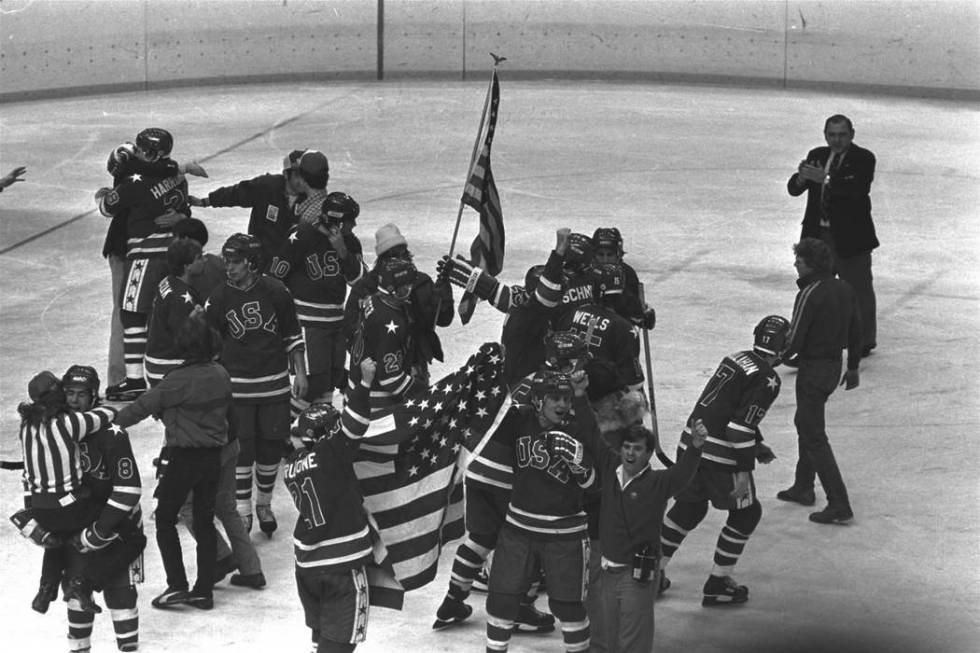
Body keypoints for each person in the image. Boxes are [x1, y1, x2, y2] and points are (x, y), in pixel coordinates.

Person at [432, 332, 590, 635]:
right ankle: (521, 608)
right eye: (580, 359)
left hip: (478, 466)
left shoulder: (531, 376)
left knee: (480, 537)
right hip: (508, 475)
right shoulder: (559, 391)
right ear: (568, 361)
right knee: (529, 539)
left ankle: (452, 601)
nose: (584, 366)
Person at [659, 315, 788, 609]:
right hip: (721, 457)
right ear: (785, 346)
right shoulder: (768, 377)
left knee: (688, 508)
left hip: (691, 443)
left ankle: (651, 572)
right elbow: (738, 428)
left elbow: (724, 406)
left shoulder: (736, 358)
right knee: (746, 513)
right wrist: (744, 470)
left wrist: (757, 444)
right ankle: (718, 583)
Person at [114, 315, 231, 610]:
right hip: (212, 458)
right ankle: (204, 590)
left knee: (166, 519)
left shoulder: (177, 380)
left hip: (184, 458)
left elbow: (141, 408)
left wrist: (108, 424)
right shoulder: (220, 374)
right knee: (204, 522)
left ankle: (176, 584)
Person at [484, 368, 598, 653]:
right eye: (554, 398)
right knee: (501, 601)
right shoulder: (518, 421)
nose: (562, 405)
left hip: (565, 534)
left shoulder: (579, 427)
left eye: (566, 398)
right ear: (537, 401)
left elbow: (594, 485)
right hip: (518, 529)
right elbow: (487, 413)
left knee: (568, 607)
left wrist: (579, 459)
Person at [205, 233, 307, 535]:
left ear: (251, 262)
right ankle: (243, 509)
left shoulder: (277, 292)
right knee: (242, 448)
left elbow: (292, 336)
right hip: (238, 389)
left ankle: (264, 504)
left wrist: (300, 373)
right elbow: (208, 346)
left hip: (274, 386)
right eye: (226, 260)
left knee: (271, 445)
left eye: (234, 261)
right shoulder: (219, 298)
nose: (228, 267)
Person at [580, 418, 705, 653]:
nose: (630, 452)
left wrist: (696, 447)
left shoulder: (659, 482)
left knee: (634, 642)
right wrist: (578, 395)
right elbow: (592, 435)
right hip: (606, 572)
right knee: (608, 637)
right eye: (627, 446)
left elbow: (682, 473)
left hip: (636, 576)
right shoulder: (609, 468)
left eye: (637, 448)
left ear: (649, 454)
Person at [282, 356, 377, 653]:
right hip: (341, 566)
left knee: (320, 636)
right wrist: (365, 383)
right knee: (338, 645)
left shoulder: (293, 466)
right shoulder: (332, 455)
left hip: (307, 566)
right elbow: (355, 424)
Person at [95, 128, 195, 401]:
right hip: (170, 251)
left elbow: (108, 206)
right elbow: (184, 208)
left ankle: (130, 378)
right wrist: (181, 213)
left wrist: (103, 194)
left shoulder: (132, 177)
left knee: (128, 311)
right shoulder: (175, 175)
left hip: (136, 251)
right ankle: (164, 372)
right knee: (162, 308)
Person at [59, 365, 146, 653]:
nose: (74, 400)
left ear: (93, 396)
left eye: (81, 394)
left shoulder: (111, 433)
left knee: (120, 593)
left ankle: (128, 649)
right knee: (75, 593)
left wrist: (99, 531)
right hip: (77, 528)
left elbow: (128, 489)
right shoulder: (56, 429)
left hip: (116, 529)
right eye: (69, 393)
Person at [777, 238, 861, 524]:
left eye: (799, 262)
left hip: (813, 370)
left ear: (811, 265)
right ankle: (803, 486)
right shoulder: (844, 288)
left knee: (813, 435)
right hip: (834, 367)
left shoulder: (810, 293)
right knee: (806, 422)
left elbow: (795, 339)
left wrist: (771, 360)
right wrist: (853, 368)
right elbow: (856, 329)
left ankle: (839, 502)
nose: (795, 266)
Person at [788, 114, 878, 357]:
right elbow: (794, 189)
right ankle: (809, 342)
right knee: (814, 291)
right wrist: (802, 178)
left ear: (852, 134)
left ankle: (863, 341)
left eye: (842, 135)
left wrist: (826, 179)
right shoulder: (817, 154)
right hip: (817, 234)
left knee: (857, 290)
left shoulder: (863, 158)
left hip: (850, 236)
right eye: (832, 135)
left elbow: (857, 191)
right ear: (825, 135)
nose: (836, 140)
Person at [268, 191, 365, 416]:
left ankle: (314, 435)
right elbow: (273, 279)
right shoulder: (301, 236)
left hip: (336, 322)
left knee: (330, 380)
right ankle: (280, 431)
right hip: (307, 322)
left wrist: (343, 252)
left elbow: (360, 282)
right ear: (336, 221)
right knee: (313, 383)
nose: (354, 225)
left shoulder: (350, 243)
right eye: (350, 220)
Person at [344, 223, 454, 387]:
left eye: (402, 251)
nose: (399, 257)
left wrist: (444, 296)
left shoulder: (421, 282)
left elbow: (444, 319)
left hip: (415, 363)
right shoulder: (365, 287)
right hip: (377, 366)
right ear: (381, 259)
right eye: (392, 254)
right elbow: (350, 329)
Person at [189, 149, 329, 268]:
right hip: (260, 259)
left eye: (304, 175)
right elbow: (236, 194)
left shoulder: (311, 198)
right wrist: (205, 202)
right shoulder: (267, 186)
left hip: (291, 263)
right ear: (286, 174)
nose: (302, 180)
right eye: (298, 175)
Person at [555, 262, 643, 402]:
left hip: (566, 397)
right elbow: (633, 383)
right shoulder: (625, 329)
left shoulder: (572, 314)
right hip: (604, 406)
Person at [347, 257, 419, 408]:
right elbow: (390, 379)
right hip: (375, 405)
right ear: (394, 290)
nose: (410, 289)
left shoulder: (373, 300)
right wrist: (425, 394)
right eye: (406, 286)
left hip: (356, 391)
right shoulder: (389, 322)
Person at [591, 227, 656, 330]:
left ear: (618, 254)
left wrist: (642, 316)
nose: (605, 260)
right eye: (601, 255)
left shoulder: (628, 274)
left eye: (610, 255)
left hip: (618, 332)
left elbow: (635, 310)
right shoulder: (586, 273)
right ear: (593, 255)